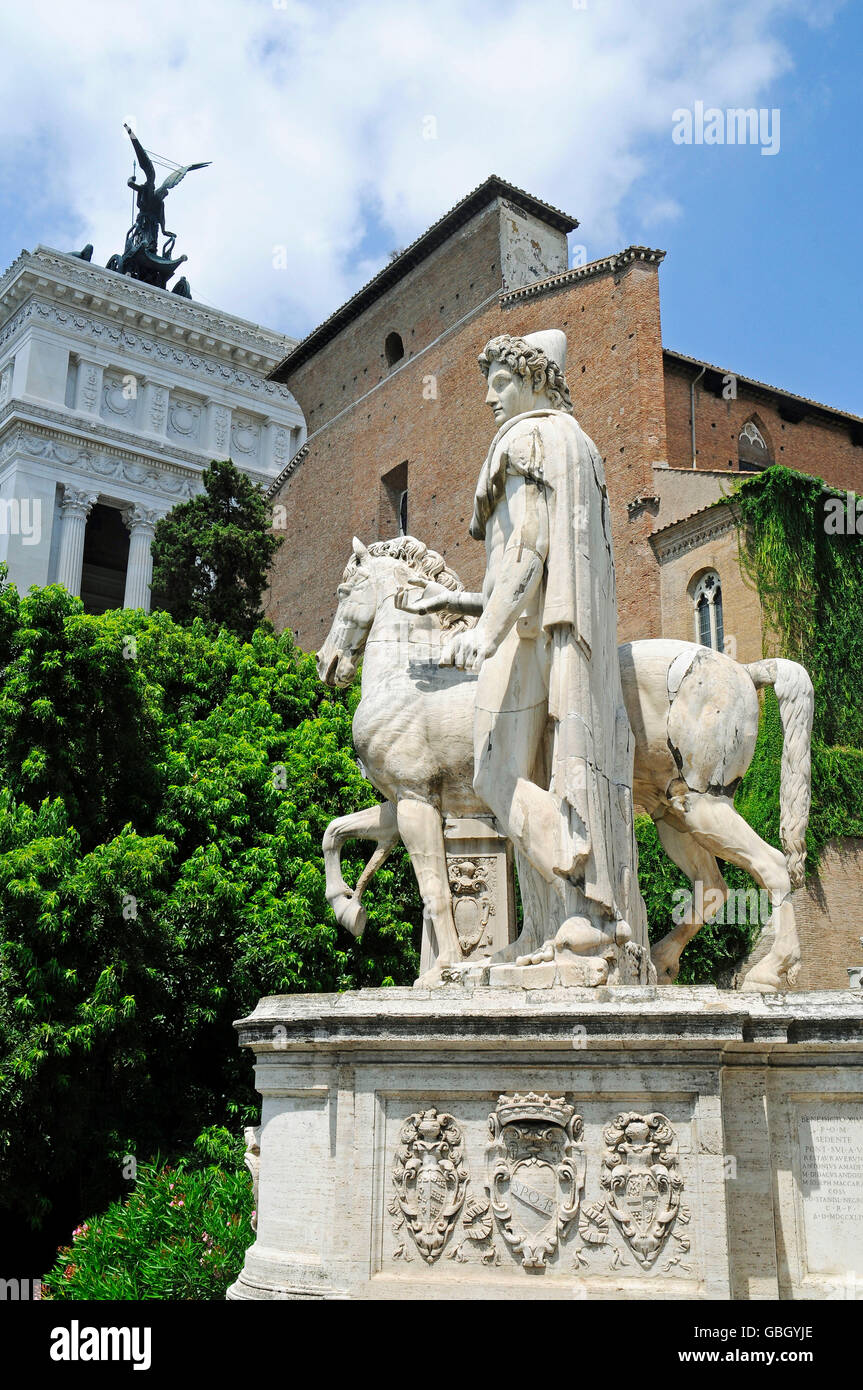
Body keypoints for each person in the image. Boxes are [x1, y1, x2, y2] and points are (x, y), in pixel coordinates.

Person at [396, 330, 645, 970]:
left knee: (494, 773)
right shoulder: (579, 445)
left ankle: (583, 899)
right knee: (537, 768)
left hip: (525, 632)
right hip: (559, 630)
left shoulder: (526, 439)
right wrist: (461, 606)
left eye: (500, 381)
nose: (488, 399)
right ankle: (570, 919)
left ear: (536, 380)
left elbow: (527, 549)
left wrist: (487, 630)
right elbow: (542, 560)